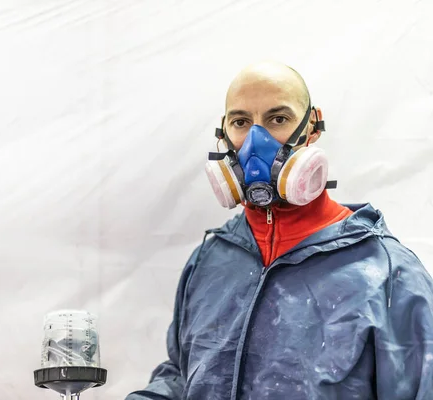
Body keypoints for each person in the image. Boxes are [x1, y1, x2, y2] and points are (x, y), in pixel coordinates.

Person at [125, 61, 433, 399]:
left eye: (278, 119)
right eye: (241, 122)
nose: (256, 140)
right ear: (225, 133)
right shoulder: (210, 259)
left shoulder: (387, 273)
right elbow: (181, 375)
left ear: (312, 126)